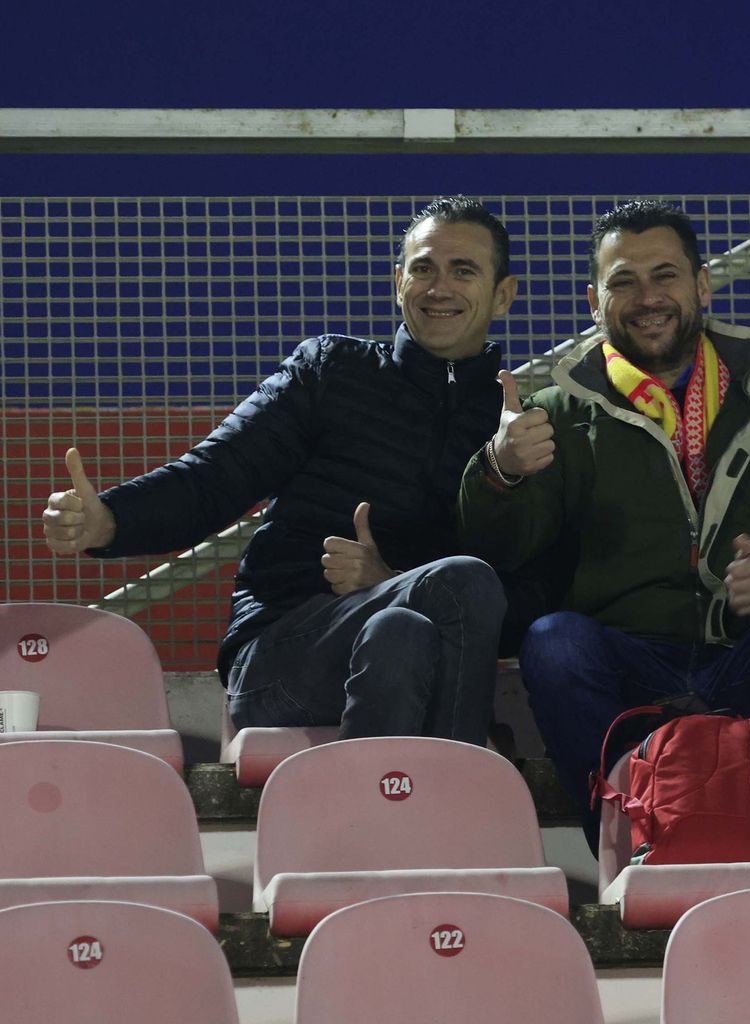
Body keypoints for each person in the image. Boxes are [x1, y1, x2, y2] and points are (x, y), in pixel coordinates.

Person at [459, 200, 750, 842]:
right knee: (554, 641)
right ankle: (624, 844)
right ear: (594, 301)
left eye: (665, 276)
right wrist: (502, 469)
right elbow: (502, 550)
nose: (647, 298)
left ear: (702, 284)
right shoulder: (557, 414)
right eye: (624, 281)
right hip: (632, 662)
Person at [39, 196, 515, 745]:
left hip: (411, 653)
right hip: (281, 656)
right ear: (397, 282)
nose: (439, 288)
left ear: (503, 295)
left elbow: (523, 589)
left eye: (463, 271)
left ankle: (390, 797)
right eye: (423, 268)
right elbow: (214, 477)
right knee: (459, 582)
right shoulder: (330, 371)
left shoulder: (512, 427)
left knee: (401, 628)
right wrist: (109, 520)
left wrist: (388, 582)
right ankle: (463, 776)